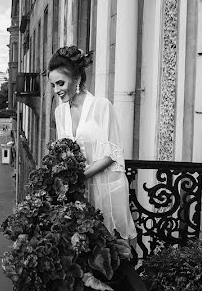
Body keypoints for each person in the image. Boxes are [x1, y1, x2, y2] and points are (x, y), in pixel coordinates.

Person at [48, 45, 137, 240]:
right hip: (76, 197)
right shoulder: (60, 113)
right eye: (53, 85)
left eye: (60, 83)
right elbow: (60, 154)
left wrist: (78, 177)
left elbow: (113, 153)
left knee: (111, 247)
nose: (56, 90)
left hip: (104, 189)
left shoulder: (102, 106)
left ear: (77, 79)